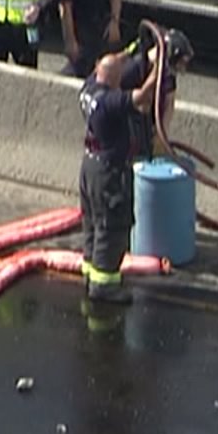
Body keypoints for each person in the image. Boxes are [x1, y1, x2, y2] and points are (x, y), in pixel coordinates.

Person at [78, 53, 159, 302]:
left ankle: (91, 271)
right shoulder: (110, 102)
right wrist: (159, 66)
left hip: (90, 167)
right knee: (111, 226)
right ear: (115, 78)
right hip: (108, 172)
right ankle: (104, 286)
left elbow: (108, 64)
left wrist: (134, 51)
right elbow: (143, 96)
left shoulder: (88, 88)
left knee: (93, 221)